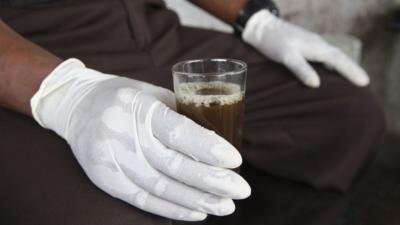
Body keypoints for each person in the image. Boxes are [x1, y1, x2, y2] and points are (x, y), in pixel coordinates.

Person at [0, 0, 385, 225]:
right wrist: (64, 93)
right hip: (31, 56)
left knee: (344, 116)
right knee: (105, 211)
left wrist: (253, 18)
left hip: (151, 31)